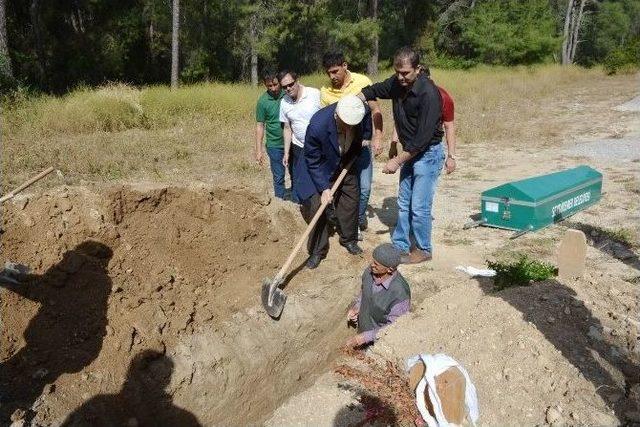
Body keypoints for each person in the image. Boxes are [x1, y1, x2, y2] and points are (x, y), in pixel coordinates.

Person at [358, 47, 444, 264]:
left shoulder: (429, 94)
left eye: (405, 73)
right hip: (410, 152)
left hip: (427, 153)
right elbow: (374, 89)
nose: (400, 77)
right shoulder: (397, 83)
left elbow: (422, 140)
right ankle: (401, 244)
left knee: (419, 206)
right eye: (397, 72)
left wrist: (396, 160)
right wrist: (354, 100)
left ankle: (424, 249)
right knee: (404, 202)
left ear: (418, 69)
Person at [295, 95, 371, 269]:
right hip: (318, 167)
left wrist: (365, 136)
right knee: (316, 206)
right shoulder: (318, 125)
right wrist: (324, 188)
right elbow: (312, 159)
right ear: (337, 116)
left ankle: (349, 239)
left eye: (353, 125)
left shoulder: (360, 111)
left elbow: (367, 122)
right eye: (346, 125)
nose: (350, 128)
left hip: (344, 161)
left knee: (351, 198)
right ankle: (317, 250)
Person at [320, 52, 384, 236]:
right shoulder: (325, 91)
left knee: (364, 188)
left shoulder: (362, 81)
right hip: (340, 149)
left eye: (335, 71)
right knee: (344, 188)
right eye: (328, 73)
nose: (332, 76)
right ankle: (351, 222)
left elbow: (375, 110)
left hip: (362, 145)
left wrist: (377, 137)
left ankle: (360, 215)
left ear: (345, 66)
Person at [391, 68, 457, 175]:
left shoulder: (442, 96)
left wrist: (451, 157)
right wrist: (393, 144)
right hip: (408, 150)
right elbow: (400, 121)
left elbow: (449, 126)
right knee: (405, 192)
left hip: (429, 151)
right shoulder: (407, 93)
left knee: (420, 191)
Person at [346, 243, 410, 347]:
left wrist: (364, 338)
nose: (372, 265)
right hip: (363, 329)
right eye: (373, 261)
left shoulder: (400, 294)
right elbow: (364, 292)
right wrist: (357, 307)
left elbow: (394, 328)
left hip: (379, 345)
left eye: (376, 264)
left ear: (389, 269)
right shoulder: (369, 272)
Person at [278, 70, 322, 203]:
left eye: (290, 84)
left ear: (297, 81)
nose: (288, 88)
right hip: (299, 146)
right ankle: (301, 208)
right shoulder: (284, 102)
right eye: (284, 87)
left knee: (319, 178)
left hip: (318, 146)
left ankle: (322, 208)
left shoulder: (314, 94)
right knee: (300, 180)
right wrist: (286, 153)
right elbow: (287, 128)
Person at [255, 70, 286, 199]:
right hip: (274, 145)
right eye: (269, 86)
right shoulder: (262, 102)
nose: (273, 88)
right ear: (265, 85)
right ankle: (280, 203)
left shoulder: (288, 94)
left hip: (293, 142)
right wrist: (259, 150)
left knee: (297, 174)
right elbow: (260, 125)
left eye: (275, 84)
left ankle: (297, 202)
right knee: (278, 176)